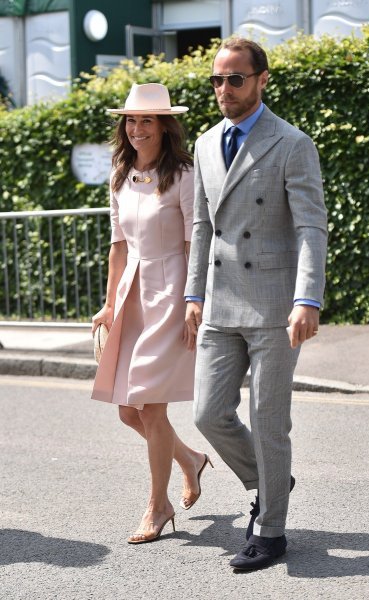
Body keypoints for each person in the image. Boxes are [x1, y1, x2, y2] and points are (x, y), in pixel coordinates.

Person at [185, 38, 328, 570]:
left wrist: (307, 298)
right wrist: (192, 292)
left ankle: (271, 530)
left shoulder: (292, 143)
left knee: (269, 420)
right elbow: (202, 225)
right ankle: (270, 481)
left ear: (262, 79)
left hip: (273, 305)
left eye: (235, 79)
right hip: (220, 304)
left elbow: (312, 227)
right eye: (217, 81)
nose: (224, 89)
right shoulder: (203, 144)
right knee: (208, 413)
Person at [91, 83, 213, 545]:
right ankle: (190, 460)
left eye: (147, 120)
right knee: (128, 411)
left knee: (151, 405)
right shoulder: (120, 173)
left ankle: (157, 506)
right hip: (133, 293)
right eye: (131, 120)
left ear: (164, 125)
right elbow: (118, 246)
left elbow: (191, 242)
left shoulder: (182, 173)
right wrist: (108, 304)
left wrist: (192, 299)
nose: (137, 128)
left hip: (171, 291)